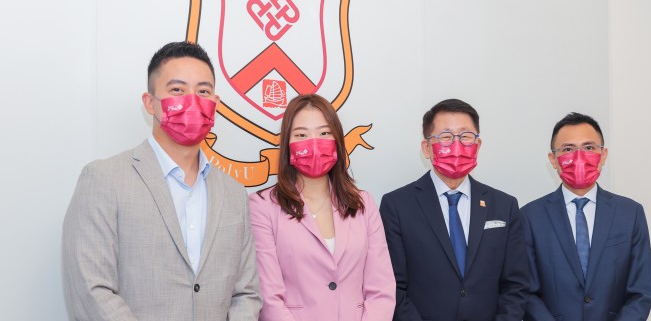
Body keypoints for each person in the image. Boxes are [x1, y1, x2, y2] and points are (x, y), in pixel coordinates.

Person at [62, 41, 261, 320]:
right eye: (177, 90)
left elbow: (246, 294)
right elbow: (91, 289)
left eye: (203, 91)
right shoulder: (104, 179)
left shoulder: (234, 192)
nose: (192, 100)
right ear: (150, 103)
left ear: (214, 105)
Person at [249, 93, 395, 321]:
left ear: (337, 140)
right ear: (287, 144)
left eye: (324, 133)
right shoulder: (263, 205)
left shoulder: (363, 203)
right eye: (301, 135)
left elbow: (381, 290)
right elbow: (269, 297)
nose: (314, 143)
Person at [380, 98, 529, 321]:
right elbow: (393, 287)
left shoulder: (504, 206)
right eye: (446, 137)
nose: (457, 145)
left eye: (465, 136)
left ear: (477, 145)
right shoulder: (397, 205)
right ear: (427, 147)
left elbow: (515, 286)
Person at [521, 112, 651, 320]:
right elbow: (527, 292)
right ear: (553, 159)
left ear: (603, 155)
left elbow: (641, 292)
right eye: (567, 149)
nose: (579, 157)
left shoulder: (631, 213)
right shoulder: (529, 216)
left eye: (589, 148)